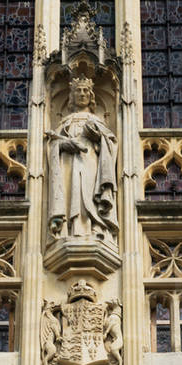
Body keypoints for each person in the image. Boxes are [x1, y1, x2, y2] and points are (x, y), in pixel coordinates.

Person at [47, 75, 118, 243]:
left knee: (89, 192)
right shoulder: (65, 121)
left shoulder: (96, 120)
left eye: (86, 90)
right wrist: (63, 145)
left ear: (91, 95)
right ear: (72, 95)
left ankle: (96, 227)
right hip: (69, 164)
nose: (82, 94)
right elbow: (52, 147)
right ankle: (71, 228)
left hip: (91, 162)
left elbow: (111, 144)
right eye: (78, 90)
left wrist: (98, 138)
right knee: (72, 192)